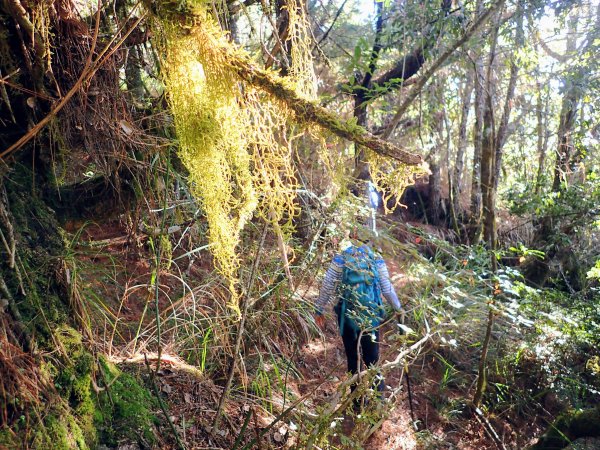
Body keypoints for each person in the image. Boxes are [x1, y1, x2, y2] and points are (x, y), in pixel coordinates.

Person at [314, 229, 402, 408]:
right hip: (370, 316)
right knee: (372, 358)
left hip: (347, 317)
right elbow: (386, 288)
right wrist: (399, 308)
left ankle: (356, 402)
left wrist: (319, 309)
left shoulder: (341, 258)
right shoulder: (376, 259)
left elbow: (328, 286)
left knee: (353, 357)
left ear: (352, 238)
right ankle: (378, 401)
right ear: (369, 239)